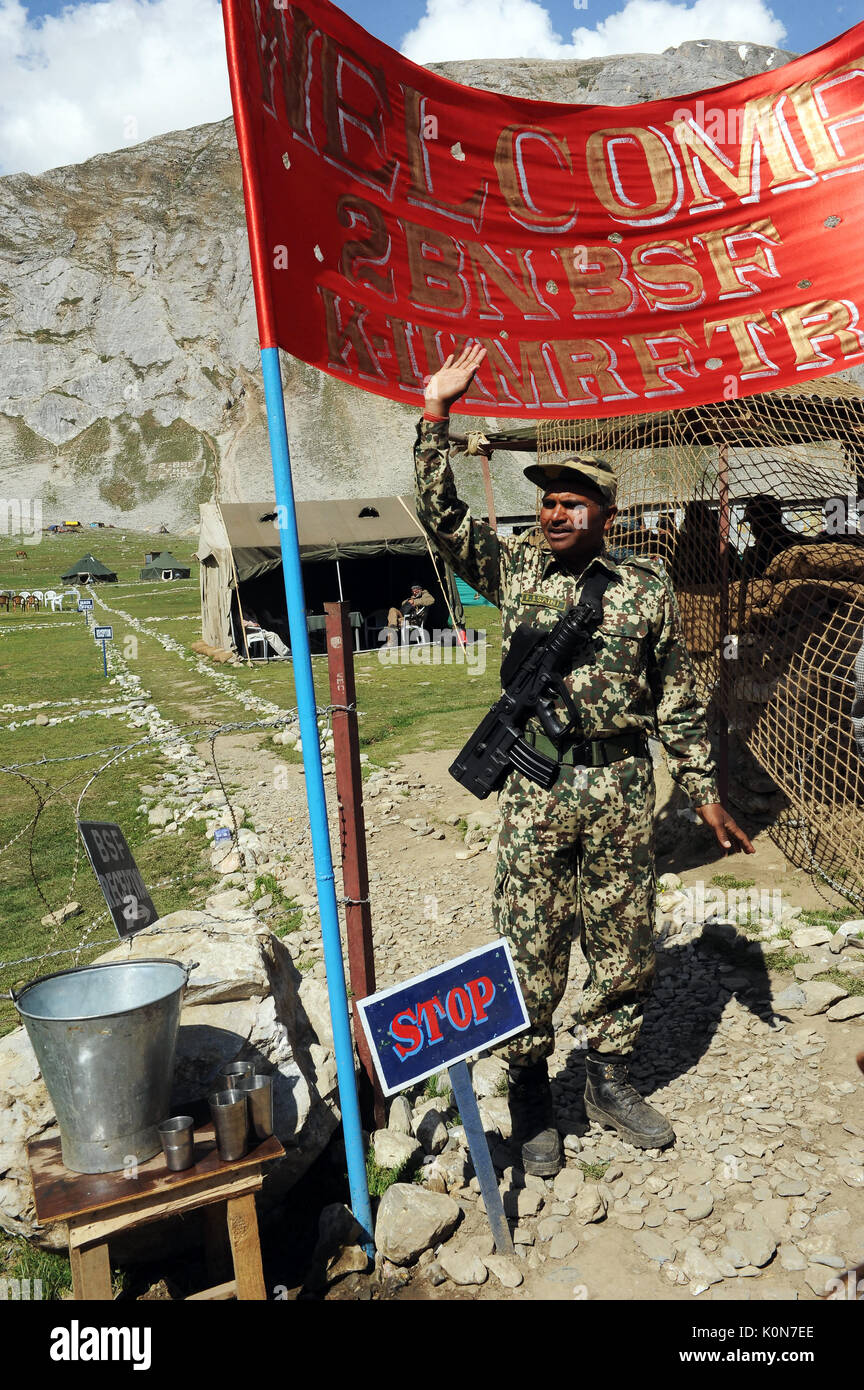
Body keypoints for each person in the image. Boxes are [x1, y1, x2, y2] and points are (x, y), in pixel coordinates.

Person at [415, 342, 754, 1175]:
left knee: (624, 937)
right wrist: (436, 417)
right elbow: (443, 518)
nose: (554, 515)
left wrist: (704, 789)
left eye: (571, 504)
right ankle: (529, 1088)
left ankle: (606, 1078)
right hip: (540, 779)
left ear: (605, 511)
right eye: (548, 504)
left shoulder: (645, 585)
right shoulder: (516, 567)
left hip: (621, 780)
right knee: (529, 935)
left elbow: (676, 694)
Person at [739, 495, 801, 579]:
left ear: (758, 523)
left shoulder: (754, 556)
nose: (751, 528)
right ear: (780, 515)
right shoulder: (800, 541)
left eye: (751, 522)